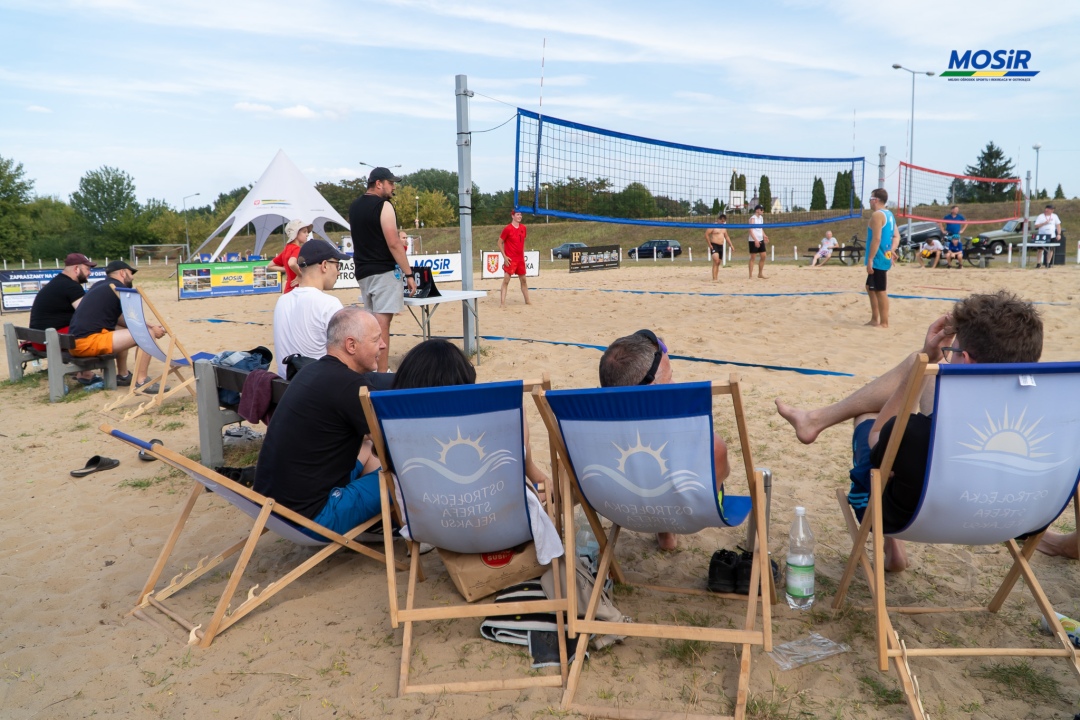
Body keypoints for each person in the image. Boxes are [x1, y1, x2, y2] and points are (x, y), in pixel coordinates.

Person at [776, 290, 1043, 571]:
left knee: (869, 418)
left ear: (965, 359)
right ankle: (814, 420)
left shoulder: (916, 434)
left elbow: (877, 438)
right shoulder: (1054, 420)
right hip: (1015, 519)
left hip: (914, 517)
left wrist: (926, 359)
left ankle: (816, 422)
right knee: (924, 381)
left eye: (952, 354)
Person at [388, 339, 561, 560]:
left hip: (431, 529)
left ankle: (546, 489)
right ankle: (548, 489)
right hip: (501, 525)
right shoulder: (492, 423)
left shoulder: (394, 429)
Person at [254, 307, 393, 535]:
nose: (383, 345)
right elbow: (393, 444)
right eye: (376, 339)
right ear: (351, 345)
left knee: (366, 447)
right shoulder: (352, 386)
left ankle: (373, 519)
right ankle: (400, 530)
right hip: (312, 518)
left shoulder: (310, 371)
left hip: (273, 508)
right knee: (407, 476)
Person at [598, 330, 731, 551]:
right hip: (685, 513)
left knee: (649, 465)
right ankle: (666, 529)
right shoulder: (698, 440)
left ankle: (665, 533)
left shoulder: (591, 432)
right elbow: (721, 473)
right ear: (651, 390)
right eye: (670, 378)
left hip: (620, 506)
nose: (676, 382)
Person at [349, 167, 417, 372]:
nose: (393, 187)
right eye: (391, 183)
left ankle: (369, 370)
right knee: (381, 327)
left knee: (369, 327)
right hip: (383, 271)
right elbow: (394, 242)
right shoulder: (383, 205)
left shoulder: (354, 206)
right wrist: (409, 274)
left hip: (363, 271)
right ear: (378, 183)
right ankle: (381, 375)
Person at [68, 260, 167, 391]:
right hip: (87, 342)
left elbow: (122, 320)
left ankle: (123, 374)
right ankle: (141, 381)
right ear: (122, 273)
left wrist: (151, 325)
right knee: (146, 334)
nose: (132, 277)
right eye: (131, 273)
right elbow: (134, 320)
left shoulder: (101, 285)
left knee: (123, 329)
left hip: (75, 343)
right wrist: (152, 329)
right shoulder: (119, 288)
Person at [271, 239, 349, 378]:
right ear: (324, 265)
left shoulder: (282, 301)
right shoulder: (329, 304)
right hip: (316, 388)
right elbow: (346, 357)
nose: (338, 272)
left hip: (286, 386)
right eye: (338, 265)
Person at [29, 253, 99, 385]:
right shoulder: (71, 286)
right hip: (50, 340)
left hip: (38, 339)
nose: (90, 273)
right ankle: (86, 374)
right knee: (94, 330)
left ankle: (82, 372)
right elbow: (89, 314)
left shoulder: (58, 282)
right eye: (87, 269)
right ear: (76, 269)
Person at [864, 188, 898, 328]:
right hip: (885, 255)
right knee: (870, 287)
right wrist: (892, 249)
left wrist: (870, 259)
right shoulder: (889, 214)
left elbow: (876, 239)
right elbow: (897, 236)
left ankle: (884, 322)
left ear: (876, 200)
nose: (870, 202)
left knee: (880, 289)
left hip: (878, 257)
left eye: (871, 199)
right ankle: (874, 319)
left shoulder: (878, 215)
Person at [266, 219, 311, 292]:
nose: (307, 234)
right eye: (304, 232)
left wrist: (287, 269)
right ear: (296, 233)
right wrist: (300, 275)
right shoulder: (297, 249)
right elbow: (292, 263)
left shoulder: (286, 249)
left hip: (288, 290)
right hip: (297, 290)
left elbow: (270, 266)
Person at [498, 211, 530, 307]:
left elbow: (522, 244)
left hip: (520, 259)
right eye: (517, 214)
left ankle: (527, 301)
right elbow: (499, 242)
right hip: (510, 259)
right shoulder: (507, 229)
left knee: (523, 280)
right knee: (506, 280)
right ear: (512, 216)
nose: (520, 216)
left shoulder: (523, 228)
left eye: (520, 214)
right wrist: (504, 256)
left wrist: (522, 256)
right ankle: (502, 303)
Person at [705, 216, 735, 281]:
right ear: (718, 219)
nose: (722, 222)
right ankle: (714, 278)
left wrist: (731, 245)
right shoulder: (713, 226)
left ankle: (716, 277)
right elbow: (706, 234)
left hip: (721, 246)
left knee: (718, 262)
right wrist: (709, 244)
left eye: (723, 221)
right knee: (716, 260)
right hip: (714, 245)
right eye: (721, 221)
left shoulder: (724, 227)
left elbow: (726, 237)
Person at [1033, 203, 1062, 268]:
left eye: (1052, 209)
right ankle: (1038, 263)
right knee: (1040, 250)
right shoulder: (1040, 216)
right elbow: (1036, 225)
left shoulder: (1055, 216)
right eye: (1050, 209)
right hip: (1042, 235)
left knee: (1050, 249)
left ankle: (1048, 263)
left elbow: (1058, 225)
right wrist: (1044, 223)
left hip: (1052, 235)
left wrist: (1059, 234)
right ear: (1046, 209)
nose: (1051, 211)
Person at [747, 204, 768, 279]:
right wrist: (755, 240)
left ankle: (760, 274)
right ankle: (750, 275)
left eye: (762, 209)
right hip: (753, 240)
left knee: (763, 256)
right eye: (761, 209)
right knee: (753, 257)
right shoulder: (753, 218)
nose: (763, 211)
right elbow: (750, 230)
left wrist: (764, 235)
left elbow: (761, 228)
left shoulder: (761, 218)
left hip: (760, 239)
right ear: (757, 210)